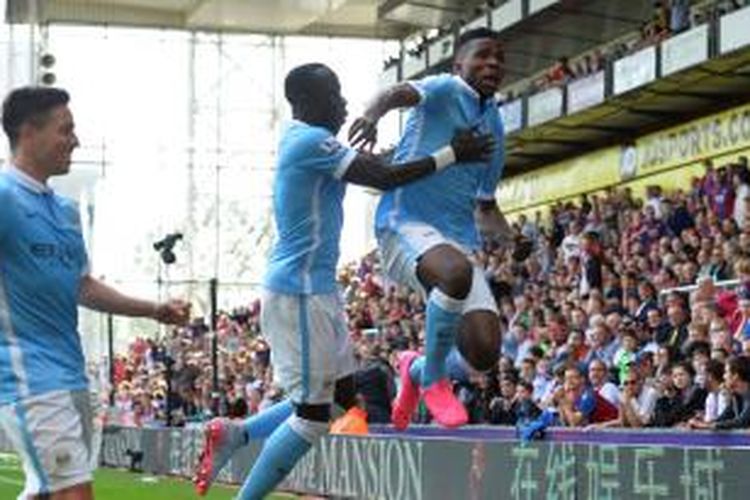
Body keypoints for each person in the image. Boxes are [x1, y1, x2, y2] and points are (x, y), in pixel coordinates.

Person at [193, 63, 494, 499]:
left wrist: (427, 147)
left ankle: (237, 435)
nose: (344, 103)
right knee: (313, 418)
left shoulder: (311, 141)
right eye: (334, 95)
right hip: (298, 291)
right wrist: (452, 153)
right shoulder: (309, 141)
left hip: (316, 290)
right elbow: (382, 176)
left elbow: (381, 163)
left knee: (339, 400)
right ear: (307, 103)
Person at [0, 86, 191, 500]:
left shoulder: (65, 211)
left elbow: (82, 286)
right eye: (65, 129)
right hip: (28, 376)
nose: (76, 140)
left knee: (47, 491)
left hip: (69, 370)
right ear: (28, 132)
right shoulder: (3, 199)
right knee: (73, 492)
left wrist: (155, 309)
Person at [348, 27, 516, 429]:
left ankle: (418, 369)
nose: (492, 63)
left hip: (454, 240)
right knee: (455, 272)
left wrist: (512, 238)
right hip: (402, 223)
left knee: (485, 352)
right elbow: (394, 93)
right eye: (482, 55)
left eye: (499, 58)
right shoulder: (444, 88)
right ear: (460, 64)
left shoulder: (494, 126)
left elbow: (487, 205)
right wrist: (371, 116)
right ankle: (436, 380)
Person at [690, 356, 750, 430]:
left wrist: (707, 426)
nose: (724, 377)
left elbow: (742, 422)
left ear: (735, 376)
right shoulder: (736, 395)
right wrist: (702, 423)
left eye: (726, 372)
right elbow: (724, 418)